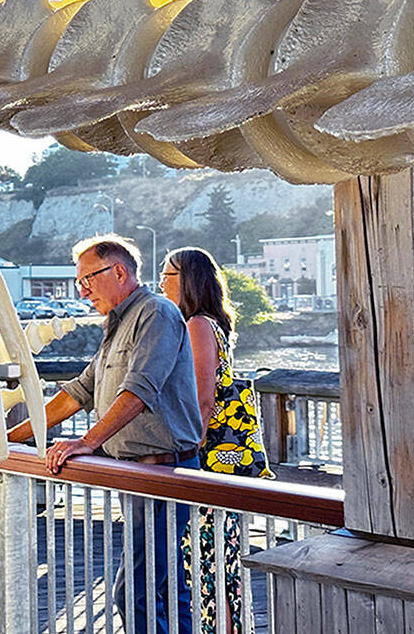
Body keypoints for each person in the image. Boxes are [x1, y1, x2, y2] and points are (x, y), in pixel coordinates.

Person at [0, 234, 202, 634]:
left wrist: (87, 441)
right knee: (163, 588)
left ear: (119, 271)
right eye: (80, 281)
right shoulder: (119, 323)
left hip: (165, 475)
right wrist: (8, 436)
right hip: (137, 477)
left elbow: (140, 391)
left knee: (136, 591)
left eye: (88, 278)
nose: (82, 289)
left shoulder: (156, 313)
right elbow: (77, 394)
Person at [161, 247, 272, 634]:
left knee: (207, 560)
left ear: (189, 281)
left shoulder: (197, 325)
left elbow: (203, 398)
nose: (161, 284)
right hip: (221, 459)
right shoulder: (212, 324)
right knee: (220, 560)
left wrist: (188, 453)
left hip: (207, 459)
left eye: (168, 275)